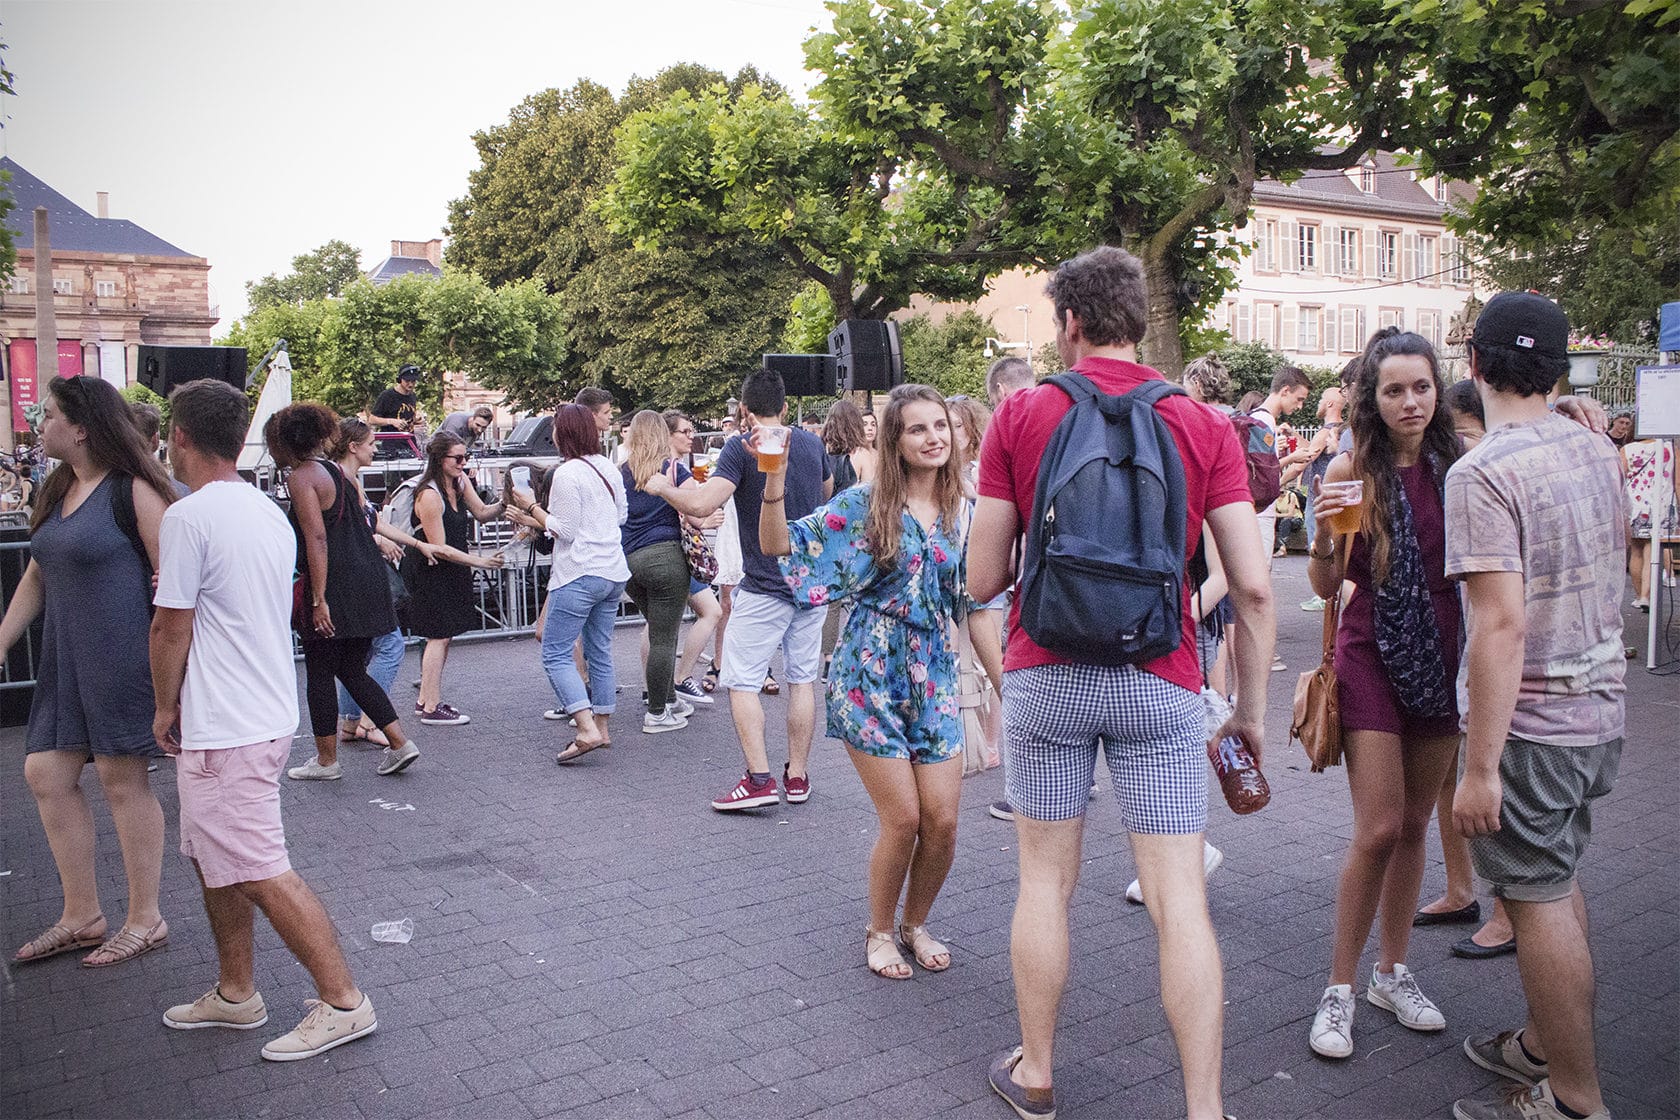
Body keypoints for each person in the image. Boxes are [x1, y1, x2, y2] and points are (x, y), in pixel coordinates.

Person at [968, 246, 1274, 1120]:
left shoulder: (1021, 414)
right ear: (1140, 319)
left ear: (1068, 322)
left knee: (1042, 883)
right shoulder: (1204, 423)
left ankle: (1037, 1074)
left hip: (1047, 672)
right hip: (1162, 676)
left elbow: (984, 576)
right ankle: (1205, 1108)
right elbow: (1253, 586)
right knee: (1180, 897)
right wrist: (1246, 715)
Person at [150, 378, 376, 1062]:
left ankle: (343, 1001)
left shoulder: (190, 518)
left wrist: (164, 706)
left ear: (180, 436)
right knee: (218, 860)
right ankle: (236, 991)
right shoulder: (260, 508)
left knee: (254, 866)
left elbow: (170, 627)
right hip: (257, 711)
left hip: (229, 722)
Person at [1446, 292, 1627, 1120]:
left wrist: (1480, 766)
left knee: (1537, 896)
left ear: (1474, 364)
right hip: (1600, 710)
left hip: (1535, 724)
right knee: (1553, 877)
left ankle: (1574, 1099)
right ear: (1558, 371)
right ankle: (1545, 1044)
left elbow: (1501, 623)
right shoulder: (1596, 446)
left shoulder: (1482, 471)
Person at [760, 384, 968, 979]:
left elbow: (971, 602)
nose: (933, 438)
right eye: (917, 429)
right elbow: (780, 546)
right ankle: (880, 929)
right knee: (903, 818)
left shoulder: (963, 507)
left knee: (945, 822)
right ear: (895, 441)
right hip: (868, 675)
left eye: (941, 427)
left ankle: (915, 922)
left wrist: (1006, 685)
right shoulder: (864, 504)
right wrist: (772, 478)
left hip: (934, 676)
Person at [1303, 329, 1464, 1060]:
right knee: (1377, 827)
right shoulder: (1350, 465)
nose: (1410, 402)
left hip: (1443, 653)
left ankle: (1392, 972)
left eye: (1422, 387)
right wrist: (1325, 535)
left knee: (1416, 824)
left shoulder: (1458, 463)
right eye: (1395, 389)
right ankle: (1338, 987)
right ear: (1372, 396)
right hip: (1369, 652)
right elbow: (1324, 584)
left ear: (1439, 390)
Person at [0, 375, 175, 968]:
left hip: (123, 656)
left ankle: (145, 917)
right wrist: (2, 639)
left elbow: (173, 583)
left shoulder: (134, 492)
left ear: (80, 427)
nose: (37, 424)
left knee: (123, 782)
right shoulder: (57, 488)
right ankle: (83, 914)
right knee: (46, 773)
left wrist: (173, 674)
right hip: (66, 658)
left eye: (47, 416)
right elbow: (38, 572)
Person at [645, 368, 832, 810]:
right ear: (786, 407)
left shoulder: (739, 447)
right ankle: (798, 777)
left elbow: (702, 503)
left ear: (744, 410)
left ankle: (759, 779)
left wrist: (661, 487)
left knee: (742, 682)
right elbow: (827, 493)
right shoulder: (810, 441)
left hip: (765, 585)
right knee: (802, 681)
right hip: (810, 584)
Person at [1413, 378, 1516, 959]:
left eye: (1458, 433)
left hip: (1487, 630)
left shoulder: (1490, 465)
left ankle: (1508, 910)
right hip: (1452, 627)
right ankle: (1460, 889)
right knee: (1451, 775)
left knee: (1488, 773)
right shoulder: (1445, 467)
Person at [263, 404, 421, 780]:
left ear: (284, 442)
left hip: (335, 586)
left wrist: (319, 599)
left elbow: (317, 538)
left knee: (319, 671)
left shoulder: (302, 477)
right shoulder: (338, 472)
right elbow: (361, 524)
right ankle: (400, 742)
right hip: (365, 581)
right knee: (351, 668)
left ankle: (325, 759)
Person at [507, 404, 629, 762]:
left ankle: (585, 726)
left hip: (579, 572)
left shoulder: (566, 473)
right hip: (613, 571)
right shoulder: (607, 466)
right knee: (600, 650)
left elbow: (565, 529)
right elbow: (620, 516)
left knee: (556, 652)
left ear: (564, 433)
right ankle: (602, 728)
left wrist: (531, 508)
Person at [326, 418, 439, 749]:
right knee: (390, 646)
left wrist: (416, 545)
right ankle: (368, 720)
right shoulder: (339, 481)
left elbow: (370, 522)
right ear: (353, 446)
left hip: (352, 576)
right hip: (355, 577)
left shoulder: (347, 480)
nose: (376, 448)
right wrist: (378, 541)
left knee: (354, 653)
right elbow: (350, 530)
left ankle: (350, 722)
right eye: (372, 443)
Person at [404, 433, 507, 725]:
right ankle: (431, 707)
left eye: (466, 457)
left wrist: (506, 501)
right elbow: (440, 547)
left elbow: (483, 513)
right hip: (433, 568)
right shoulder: (429, 495)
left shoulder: (458, 484)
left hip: (452, 566)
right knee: (438, 636)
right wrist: (480, 561)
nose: (463, 463)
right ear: (440, 459)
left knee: (444, 636)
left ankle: (426, 698)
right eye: (457, 459)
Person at [618, 410, 696, 733]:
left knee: (660, 629)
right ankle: (657, 712)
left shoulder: (620, 472)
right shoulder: (671, 469)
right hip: (666, 558)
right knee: (665, 636)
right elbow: (696, 506)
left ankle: (670, 699)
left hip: (629, 562)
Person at [660, 410, 723, 703]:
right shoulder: (678, 471)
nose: (690, 437)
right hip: (678, 554)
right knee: (711, 612)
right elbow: (695, 512)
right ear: (668, 435)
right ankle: (680, 678)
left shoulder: (649, 466)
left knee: (656, 621)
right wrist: (705, 520)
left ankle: (656, 689)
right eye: (685, 432)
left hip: (656, 551)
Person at [1623, 433, 1677, 611]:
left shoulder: (1627, 450)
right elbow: (1677, 483)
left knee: (1636, 551)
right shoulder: (1671, 449)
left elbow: (1620, 479)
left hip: (1635, 505)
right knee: (1652, 551)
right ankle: (1647, 595)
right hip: (1661, 505)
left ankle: (1639, 596)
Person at [368, 364, 422, 433]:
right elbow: (372, 419)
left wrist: (416, 420)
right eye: (407, 381)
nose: (411, 384)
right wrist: (391, 421)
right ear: (399, 380)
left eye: (413, 381)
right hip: (391, 440)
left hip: (409, 440)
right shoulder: (387, 395)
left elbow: (409, 419)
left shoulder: (412, 396)